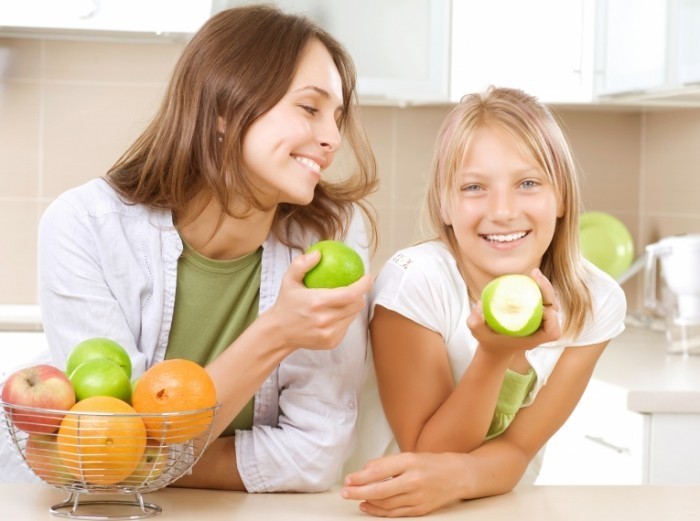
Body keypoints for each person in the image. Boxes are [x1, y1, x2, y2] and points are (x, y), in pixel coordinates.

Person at [9, 5, 378, 492]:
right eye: (310, 108)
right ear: (224, 108)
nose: (331, 138)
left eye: (337, 117)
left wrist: (146, 463)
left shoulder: (331, 237)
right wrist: (278, 332)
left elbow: (316, 455)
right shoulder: (85, 226)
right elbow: (108, 446)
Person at [341, 86, 626, 516]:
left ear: (562, 196)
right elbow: (427, 452)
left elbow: (517, 451)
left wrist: (466, 477)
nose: (504, 210)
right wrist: (497, 355)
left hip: (488, 507)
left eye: (528, 183)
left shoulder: (595, 302)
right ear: (445, 205)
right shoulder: (414, 281)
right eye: (474, 187)